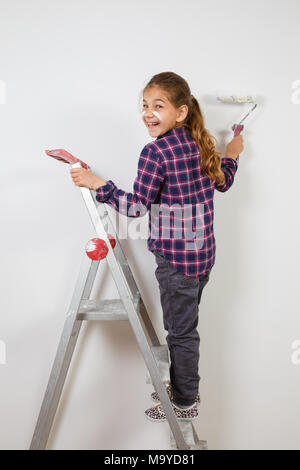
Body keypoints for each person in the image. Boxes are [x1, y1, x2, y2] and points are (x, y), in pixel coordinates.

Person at [70, 71, 244, 422]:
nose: (148, 112)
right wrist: (233, 153)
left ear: (180, 112)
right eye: (145, 105)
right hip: (202, 256)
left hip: (177, 263)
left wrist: (97, 183)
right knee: (185, 326)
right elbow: (223, 182)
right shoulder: (201, 142)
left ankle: (185, 399)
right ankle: (182, 384)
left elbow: (135, 207)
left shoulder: (156, 152)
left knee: (180, 332)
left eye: (158, 106)